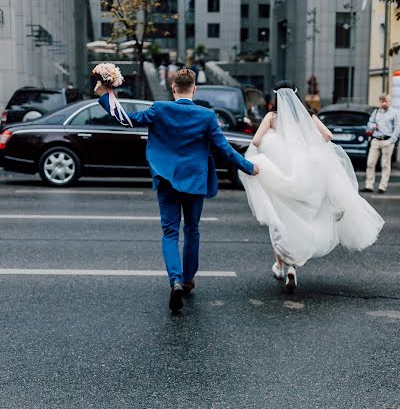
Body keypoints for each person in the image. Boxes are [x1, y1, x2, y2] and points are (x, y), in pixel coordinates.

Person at [95, 69, 258, 312]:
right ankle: (189, 279)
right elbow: (224, 150)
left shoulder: (159, 108)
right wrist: (249, 167)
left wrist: (107, 95)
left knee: (170, 232)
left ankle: (175, 281)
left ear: (173, 88)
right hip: (194, 181)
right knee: (192, 230)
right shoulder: (207, 115)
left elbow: (126, 119)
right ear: (194, 89)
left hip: (166, 179)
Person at [239, 80, 384, 291]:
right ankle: (292, 268)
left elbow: (256, 141)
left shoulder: (272, 118)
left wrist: (274, 143)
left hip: (280, 177)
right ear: (297, 95)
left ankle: (283, 266)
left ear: (276, 96)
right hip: (307, 178)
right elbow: (328, 136)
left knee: (281, 221)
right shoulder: (307, 117)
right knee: (302, 219)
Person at [362, 93, 400, 194]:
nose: (383, 103)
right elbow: (369, 124)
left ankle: (382, 187)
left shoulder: (395, 113)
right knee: (370, 163)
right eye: (381, 101)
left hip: (387, 141)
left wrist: (391, 141)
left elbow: (397, 128)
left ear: (389, 101)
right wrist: (373, 126)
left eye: (385, 101)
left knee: (385, 165)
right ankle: (369, 185)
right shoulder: (376, 112)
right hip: (376, 140)